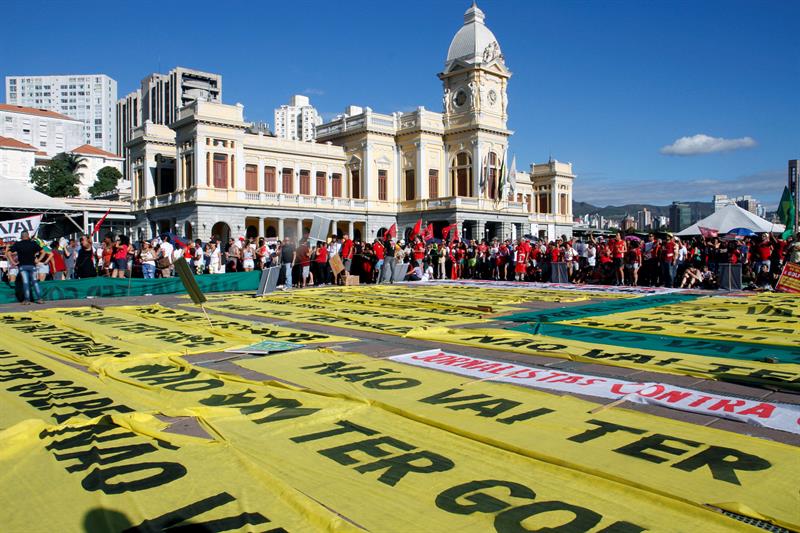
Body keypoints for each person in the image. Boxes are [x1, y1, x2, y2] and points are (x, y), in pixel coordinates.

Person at [10, 231, 43, 304]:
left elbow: (8, 253)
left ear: (21, 237)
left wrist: (13, 262)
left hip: (22, 266)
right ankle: (40, 299)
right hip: (32, 266)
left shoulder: (18, 244)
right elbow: (43, 251)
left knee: (25, 283)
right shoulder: (33, 243)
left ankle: (27, 300)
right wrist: (38, 260)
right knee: (35, 282)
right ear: (28, 236)